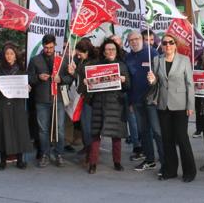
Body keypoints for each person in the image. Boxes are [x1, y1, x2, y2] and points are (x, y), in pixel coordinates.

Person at [147, 33, 197, 182]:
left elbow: (190, 83)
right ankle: (170, 171)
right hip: (163, 105)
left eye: (170, 42)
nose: (167, 45)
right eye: (165, 43)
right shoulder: (157, 59)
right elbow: (155, 83)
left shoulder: (184, 60)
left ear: (175, 44)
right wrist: (152, 80)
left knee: (182, 139)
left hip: (181, 105)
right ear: (161, 45)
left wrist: (190, 105)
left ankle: (190, 172)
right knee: (167, 140)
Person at [85, 38, 130, 174]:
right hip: (99, 103)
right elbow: (89, 81)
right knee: (95, 135)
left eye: (113, 49)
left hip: (116, 104)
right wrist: (86, 81)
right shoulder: (96, 65)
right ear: (103, 52)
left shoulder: (122, 65)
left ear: (117, 51)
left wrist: (124, 80)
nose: (110, 51)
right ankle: (93, 163)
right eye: (107, 49)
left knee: (116, 136)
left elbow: (128, 86)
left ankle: (117, 162)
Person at [28, 34, 72, 168]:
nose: (48, 50)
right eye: (46, 47)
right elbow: (29, 78)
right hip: (41, 100)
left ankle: (59, 154)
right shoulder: (35, 60)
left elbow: (70, 78)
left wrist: (62, 79)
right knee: (43, 130)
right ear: (42, 46)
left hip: (58, 98)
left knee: (60, 129)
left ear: (55, 45)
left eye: (51, 47)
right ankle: (45, 154)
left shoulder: (61, 60)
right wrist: (38, 77)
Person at [125, 31, 164, 173]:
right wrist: (130, 101)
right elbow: (128, 80)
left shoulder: (153, 53)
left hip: (152, 99)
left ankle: (165, 162)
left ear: (142, 39)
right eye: (131, 40)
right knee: (143, 131)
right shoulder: (128, 57)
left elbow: (161, 76)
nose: (134, 42)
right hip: (136, 100)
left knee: (157, 131)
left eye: (137, 39)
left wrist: (154, 81)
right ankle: (149, 160)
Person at [0, 44, 32, 171]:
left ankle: (20, 160)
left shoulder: (21, 69)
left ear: (15, 55)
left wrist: (28, 88)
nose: (9, 56)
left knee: (18, 130)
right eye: (7, 53)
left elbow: (27, 86)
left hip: (17, 103)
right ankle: (3, 160)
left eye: (11, 54)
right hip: (3, 103)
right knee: (2, 130)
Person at [70, 39, 98, 165]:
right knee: (85, 126)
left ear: (86, 51)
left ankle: (91, 153)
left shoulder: (94, 62)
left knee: (89, 128)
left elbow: (92, 79)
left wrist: (75, 73)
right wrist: (74, 72)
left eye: (79, 53)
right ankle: (89, 149)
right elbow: (80, 78)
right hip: (84, 97)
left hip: (92, 99)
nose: (77, 55)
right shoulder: (83, 60)